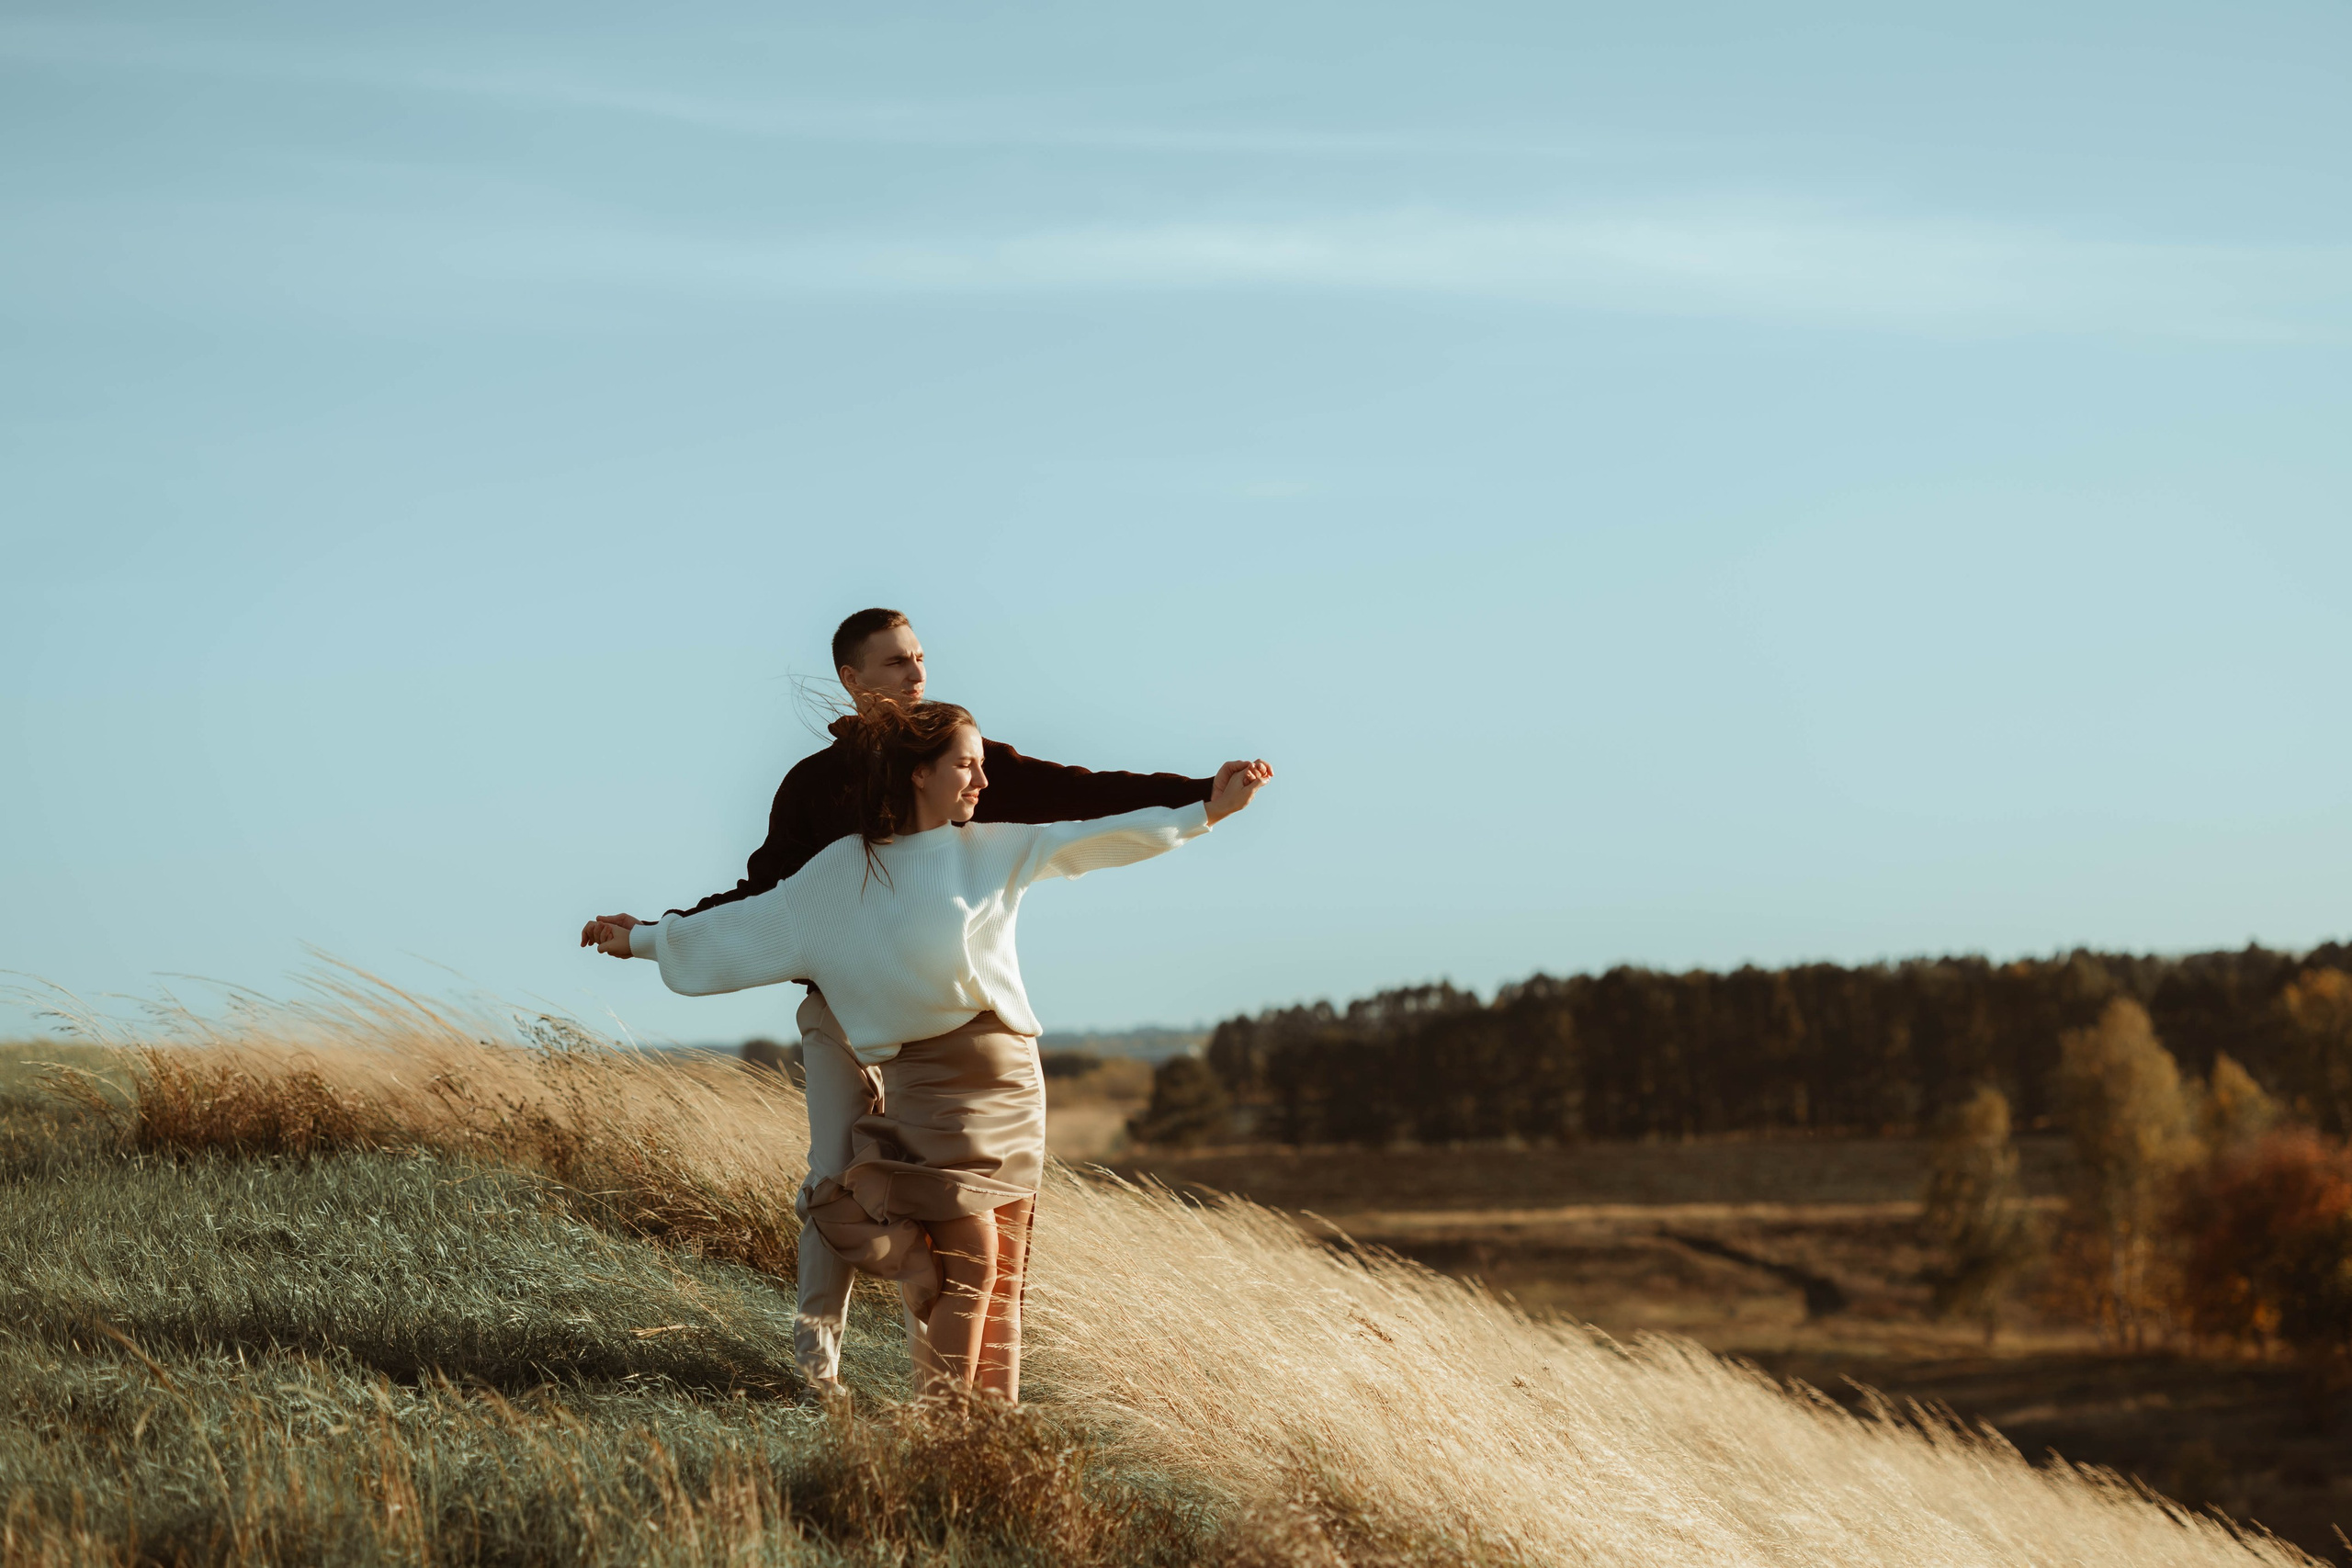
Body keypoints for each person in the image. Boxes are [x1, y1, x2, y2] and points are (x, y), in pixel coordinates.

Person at [580, 608, 1261, 1393]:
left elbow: (1080, 805)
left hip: (996, 1071)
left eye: (920, 657)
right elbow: (759, 906)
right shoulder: (822, 801)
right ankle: (827, 1374)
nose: (916, 672)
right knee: (847, 1181)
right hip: (856, 1019)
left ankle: (972, 1414)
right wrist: (652, 934)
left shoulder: (968, 779)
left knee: (993, 1261)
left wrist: (1201, 799)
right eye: (897, 661)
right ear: (853, 678)